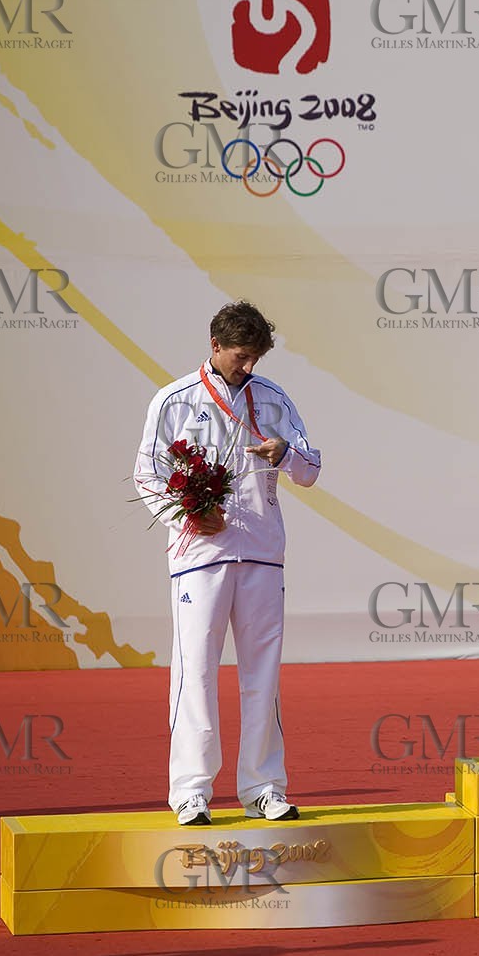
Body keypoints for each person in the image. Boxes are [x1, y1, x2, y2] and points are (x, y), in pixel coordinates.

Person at [133, 300, 322, 826]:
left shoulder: (274, 398)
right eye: (241, 355)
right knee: (195, 671)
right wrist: (190, 515)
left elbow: (311, 470)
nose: (248, 366)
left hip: (262, 550)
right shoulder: (173, 400)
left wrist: (284, 453)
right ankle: (191, 790)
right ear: (214, 346)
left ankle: (264, 787)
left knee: (263, 674)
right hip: (201, 555)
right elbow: (147, 475)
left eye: (255, 357)